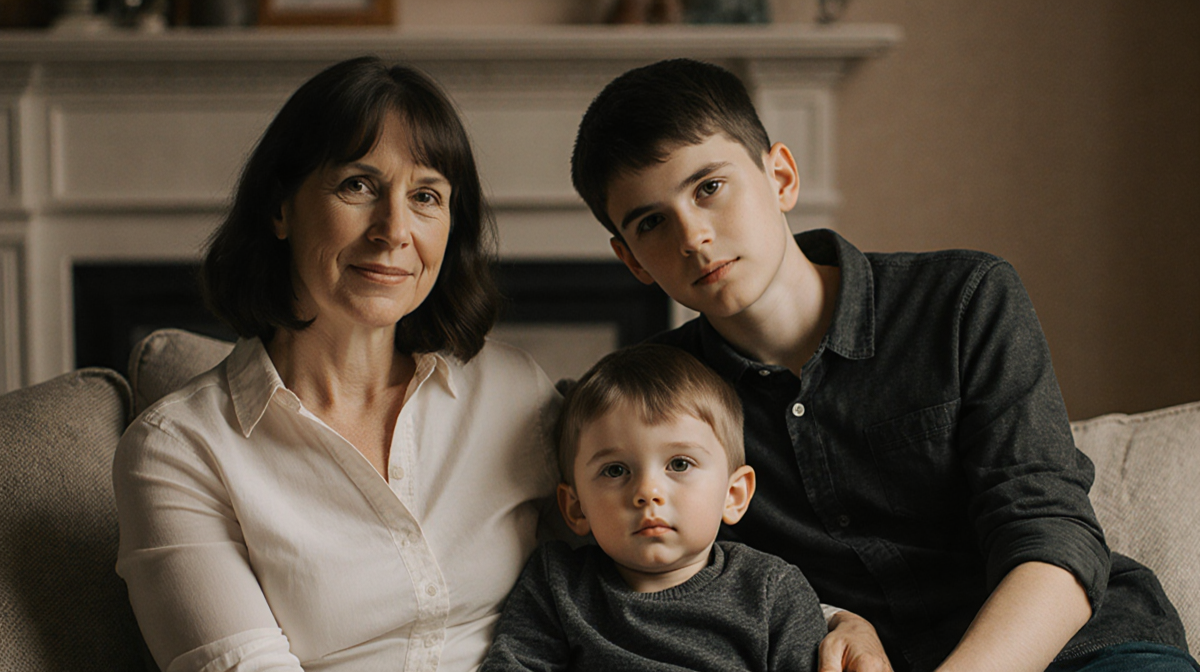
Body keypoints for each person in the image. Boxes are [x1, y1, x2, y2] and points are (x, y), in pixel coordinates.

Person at [568, 58, 1197, 672]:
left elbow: (1051, 533)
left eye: (709, 187)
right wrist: (836, 616)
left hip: (1080, 649)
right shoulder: (653, 404)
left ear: (781, 176)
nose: (692, 236)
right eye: (652, 222)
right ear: (632, 261)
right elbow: (683, 580)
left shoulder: (963, 298)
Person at [113, 56, 559, 672]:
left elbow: (627, 580)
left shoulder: (515, 393)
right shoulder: (179, 451)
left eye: (426, 195)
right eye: (358, 185)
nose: (394, 230)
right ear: (280, 208)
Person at [481, 343, 827, 671]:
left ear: (733, 495)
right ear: (576, 508)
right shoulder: (559, 585)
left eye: (679, 464)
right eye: (615, 470)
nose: (647, 492)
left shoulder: (771, 591)